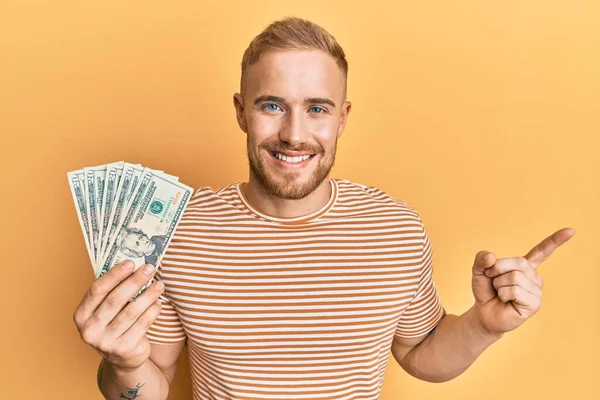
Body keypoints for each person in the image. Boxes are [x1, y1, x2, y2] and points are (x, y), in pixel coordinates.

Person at [72, 17, 575, 400]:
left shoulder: (395, 228)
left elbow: (421, 355)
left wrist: (483, 325)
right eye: (272, 105)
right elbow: (148, 386)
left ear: (342, 118)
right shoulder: (176, 230)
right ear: (240, 112)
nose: (294, 133)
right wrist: (123, 365)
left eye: (317, 108)